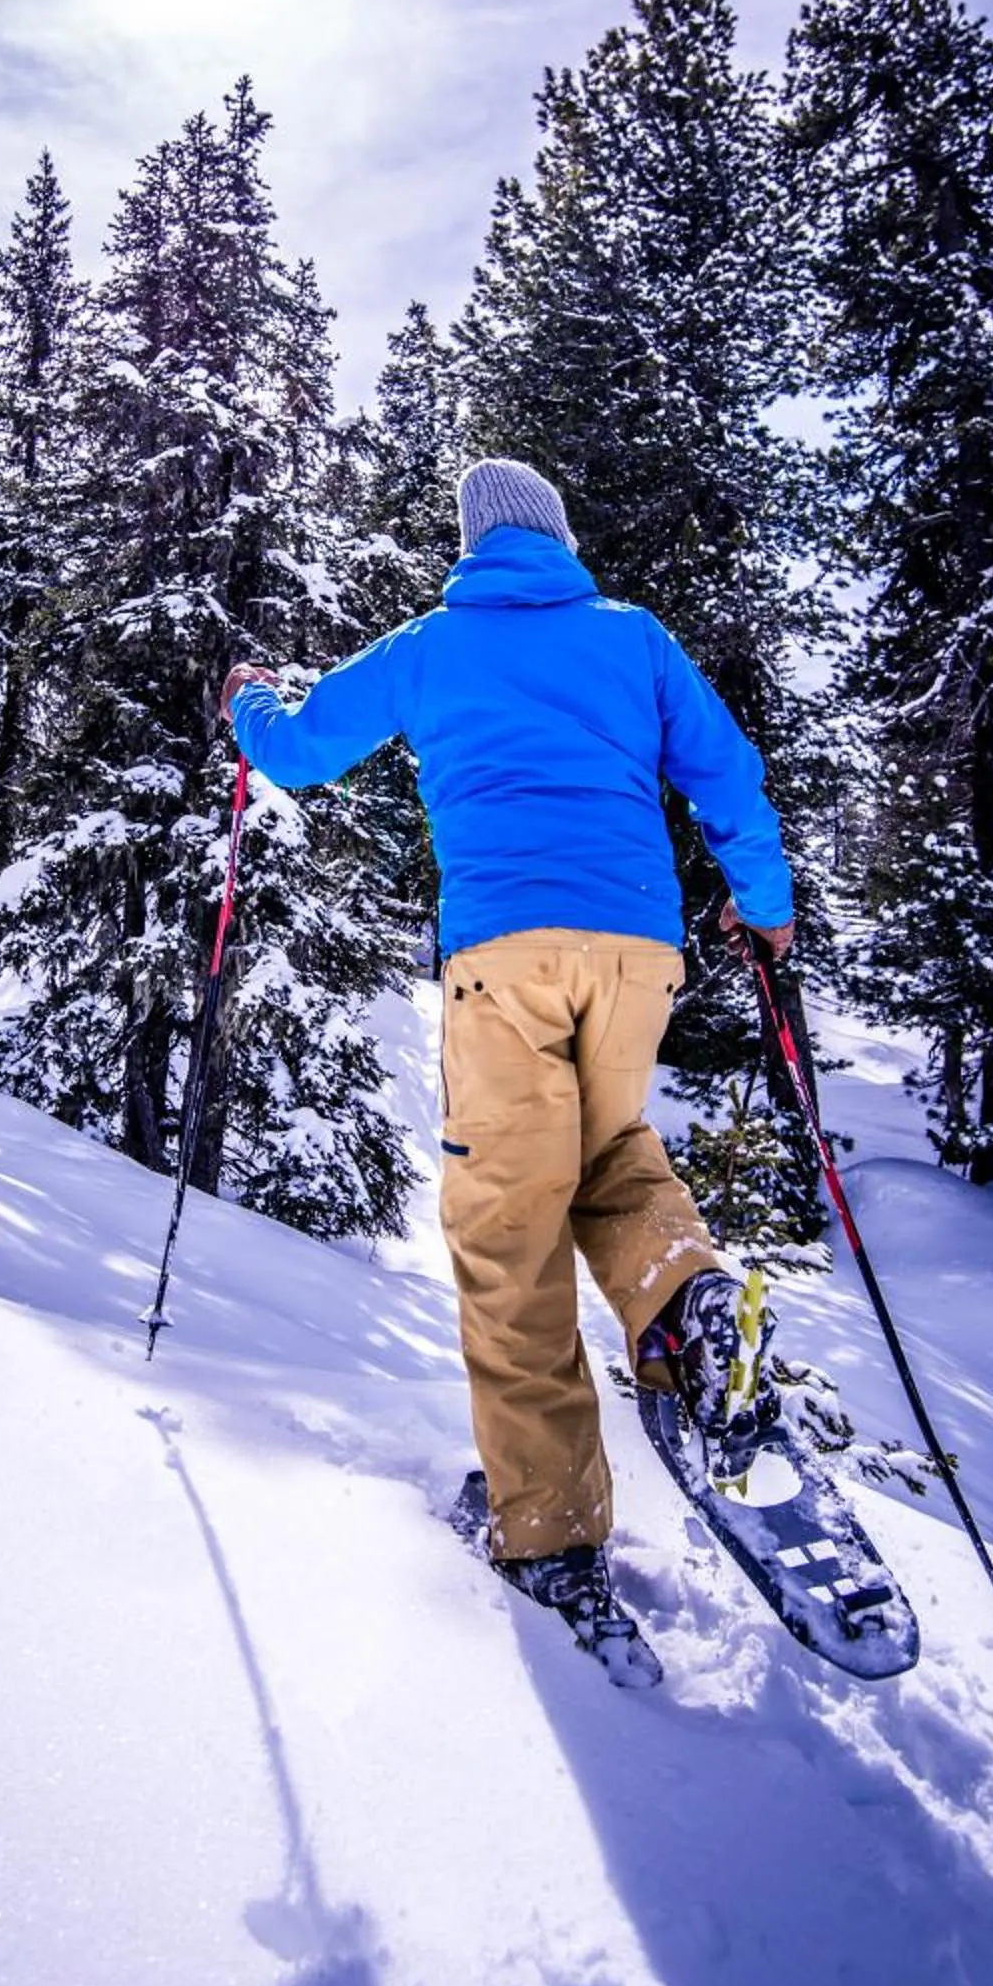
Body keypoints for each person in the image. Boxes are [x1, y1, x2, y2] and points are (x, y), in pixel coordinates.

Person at [222, 455, 796, 1660]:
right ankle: (684, 1301)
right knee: (613, 1158)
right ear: (560, 536)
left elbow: (295, 755)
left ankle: (551, 1534)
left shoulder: (434, 643)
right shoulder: (633, 638)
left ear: (477, 543)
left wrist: (250, 701)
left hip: (503, 957)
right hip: (637, 951)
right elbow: (726, 773)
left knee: (508, 1226)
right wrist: (763, 899)